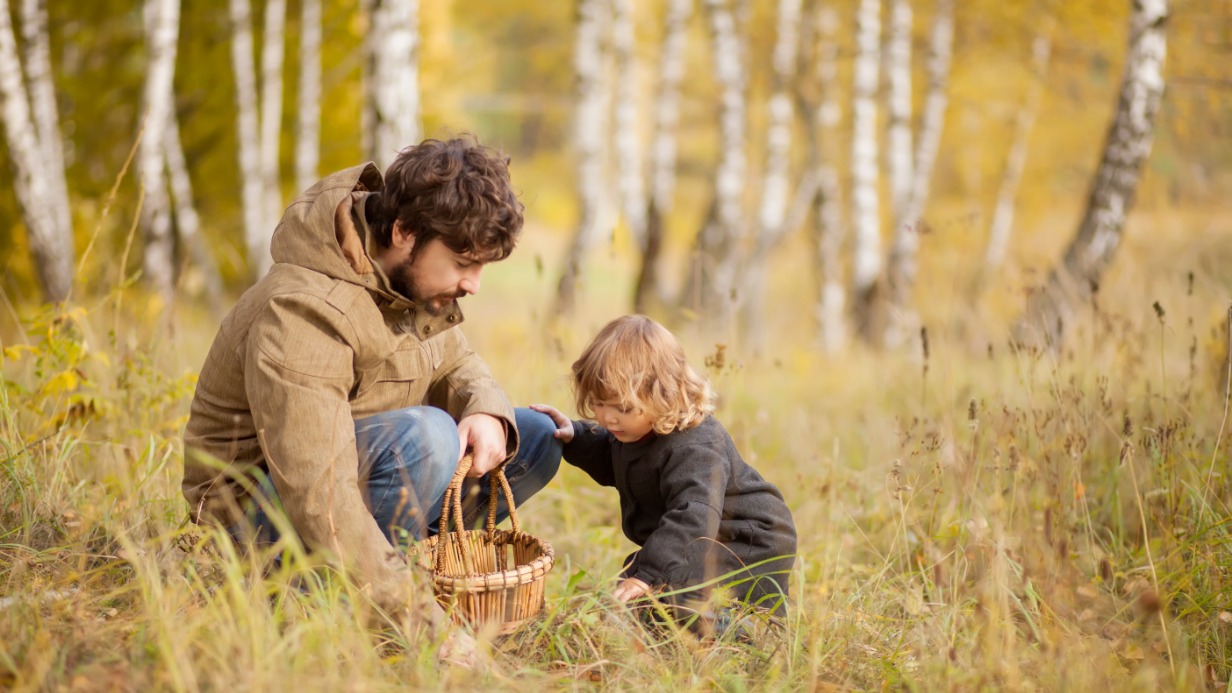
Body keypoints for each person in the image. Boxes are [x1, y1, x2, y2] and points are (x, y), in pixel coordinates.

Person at [182, 136, 562, 615]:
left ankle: (401, 568)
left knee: (534, 438)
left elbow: (457, 361)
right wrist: (418, 619)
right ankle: (346, 598)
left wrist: (486, 408)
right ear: (404, 231)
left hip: (362, 482)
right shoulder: (304, 311)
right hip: (257, 526)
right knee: (429, 437)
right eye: (464, 263)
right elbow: (318, 492)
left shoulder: (403, 281)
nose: (474, 285)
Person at [531, 315, 796, 623]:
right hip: (703, 534)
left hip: (748, 539)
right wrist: (576, 436)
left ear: (665, 395)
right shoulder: (637, 430)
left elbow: (693, 516)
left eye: (624, 408)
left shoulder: (695, 447)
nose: (608, 418)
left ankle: (740, 630)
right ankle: (673, 618)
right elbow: (614, 458)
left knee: (670, 590)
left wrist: (649, 575)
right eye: (599, 403)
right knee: (651, 586)